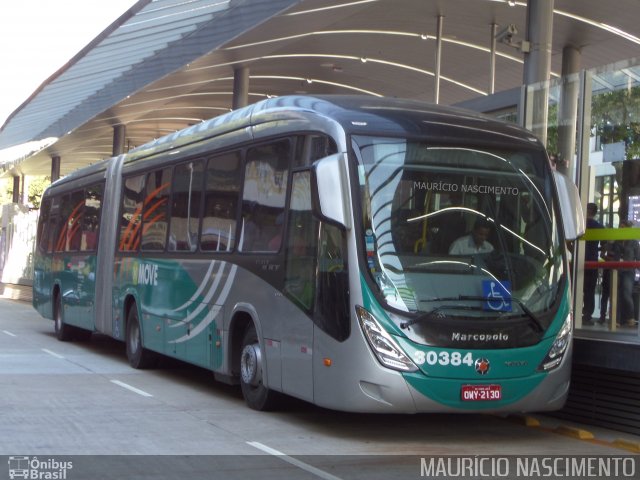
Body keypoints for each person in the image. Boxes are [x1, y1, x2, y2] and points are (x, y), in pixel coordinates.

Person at [582, 203, 603, 324]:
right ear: (595, 213)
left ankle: (574, 313)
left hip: (580, 262)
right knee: (590, 290)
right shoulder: (599, 227)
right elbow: (606, 245)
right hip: (592, 262)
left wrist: (576, 253)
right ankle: (587, 316)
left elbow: (568, 243)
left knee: (577, 288)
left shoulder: (579, 225)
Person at [617, 219, 639, 327]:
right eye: (620, 227)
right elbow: (606, 252)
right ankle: (617, 319)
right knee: (617, 295)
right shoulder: (616, 241)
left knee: (626, 294)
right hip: (615, 270)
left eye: (623, 227)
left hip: (628, 271)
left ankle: (631, 318)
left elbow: (638, 258)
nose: (621, 229)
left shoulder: (634, 242)